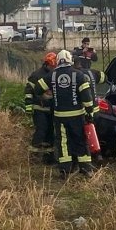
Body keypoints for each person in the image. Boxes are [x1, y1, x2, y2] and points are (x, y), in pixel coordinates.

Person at [34, 50, 94, 178]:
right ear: (70, 60)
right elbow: (87, 97)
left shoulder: (52, 75)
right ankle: (86, 169)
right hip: (77, 115)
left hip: (60, 116)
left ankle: (65, 170)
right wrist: (90, 112)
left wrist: (48, 96)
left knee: (63, 142)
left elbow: (37, 88)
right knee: (80, 140)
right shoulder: (78, 75)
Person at [24, 52, 57, 163]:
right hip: (39, 108)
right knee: (41, 131)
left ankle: (48, 157)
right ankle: (33, 156)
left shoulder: (56, 74)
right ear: (47, 64)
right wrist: (29, 107)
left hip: (51, 109)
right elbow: (28, 92)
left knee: (50, 132)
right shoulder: (36, 75)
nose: (54, 68)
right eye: (53, 66)